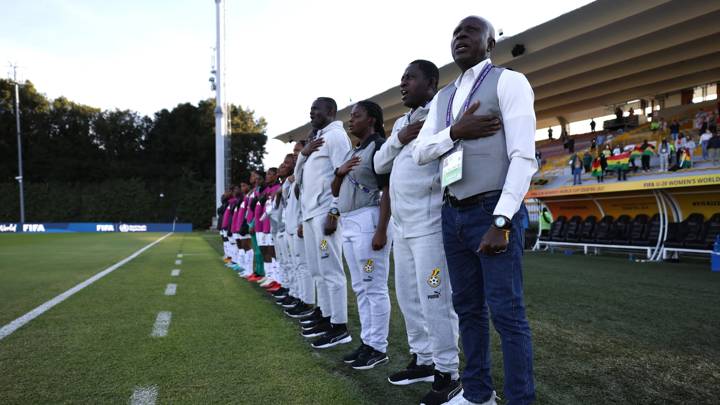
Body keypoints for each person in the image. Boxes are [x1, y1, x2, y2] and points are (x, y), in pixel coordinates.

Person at [413, 16, 536, 405]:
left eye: (470, 31)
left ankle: (520, 399)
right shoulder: (444, 98)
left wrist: (501, 220)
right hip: (452, 213)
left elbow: (523, 157)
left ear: (490, 42)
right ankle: (479, 394)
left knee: (507, 314)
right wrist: (455, 132)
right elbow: (420, 152)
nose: (460, 37)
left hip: (491, 210)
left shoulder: (509, 81)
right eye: (455, 33)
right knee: (467, 309)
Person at [374, 60, 467, 404]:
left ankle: (449, 373)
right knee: (408, 298)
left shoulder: (442, 112)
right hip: (402, 225)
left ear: (431, 83)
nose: (402, 84)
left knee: (435, 300)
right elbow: (379, 164)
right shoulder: (401, 122)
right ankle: (424, 359)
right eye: (401, 78)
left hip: (429, 224)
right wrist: (399, 137)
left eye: (410, 78)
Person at [330, 100, 392, 370]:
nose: (350, 120)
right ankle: (368, 342)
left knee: (374, 286)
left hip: (369, 219)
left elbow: (388, 189)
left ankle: (378, 347)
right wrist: (339, 171)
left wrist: (380, 229)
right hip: (349, 222)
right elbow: (335, 190)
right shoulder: (353, 152)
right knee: (360, 286)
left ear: (373, 120)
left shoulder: (378, 146)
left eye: (356, 116)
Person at [294, 97, 353, 349]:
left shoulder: (336, 137)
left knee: (331, 271)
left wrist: (334, 212)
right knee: (317, 270)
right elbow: (298, 180)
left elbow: (344, 175)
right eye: (310, 110)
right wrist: (303, 155)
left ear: (330, 111)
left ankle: (339, 327)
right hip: (310, 214)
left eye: (315, 110)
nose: (311, 114)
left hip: (324, 214)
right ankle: (325, 315)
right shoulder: (316, 140)